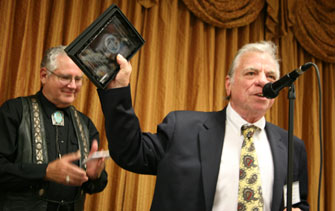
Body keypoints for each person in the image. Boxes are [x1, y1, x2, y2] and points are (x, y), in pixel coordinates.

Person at [97, 41, 309, 210]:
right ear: (229, 84)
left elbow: (297, 200)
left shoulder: (292, 147)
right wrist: (118, 90)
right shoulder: (182, 129)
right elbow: (130, 152)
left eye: (271, 76)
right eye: (251, 73)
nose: (263, 81)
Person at [0, 46, 108, 211]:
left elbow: (95, 187)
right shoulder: (14, 111)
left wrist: (94, 176)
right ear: (44, 75)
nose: (73, 86)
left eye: (78, 79)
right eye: (65, 77)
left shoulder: (86, 125)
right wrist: (45, 171)